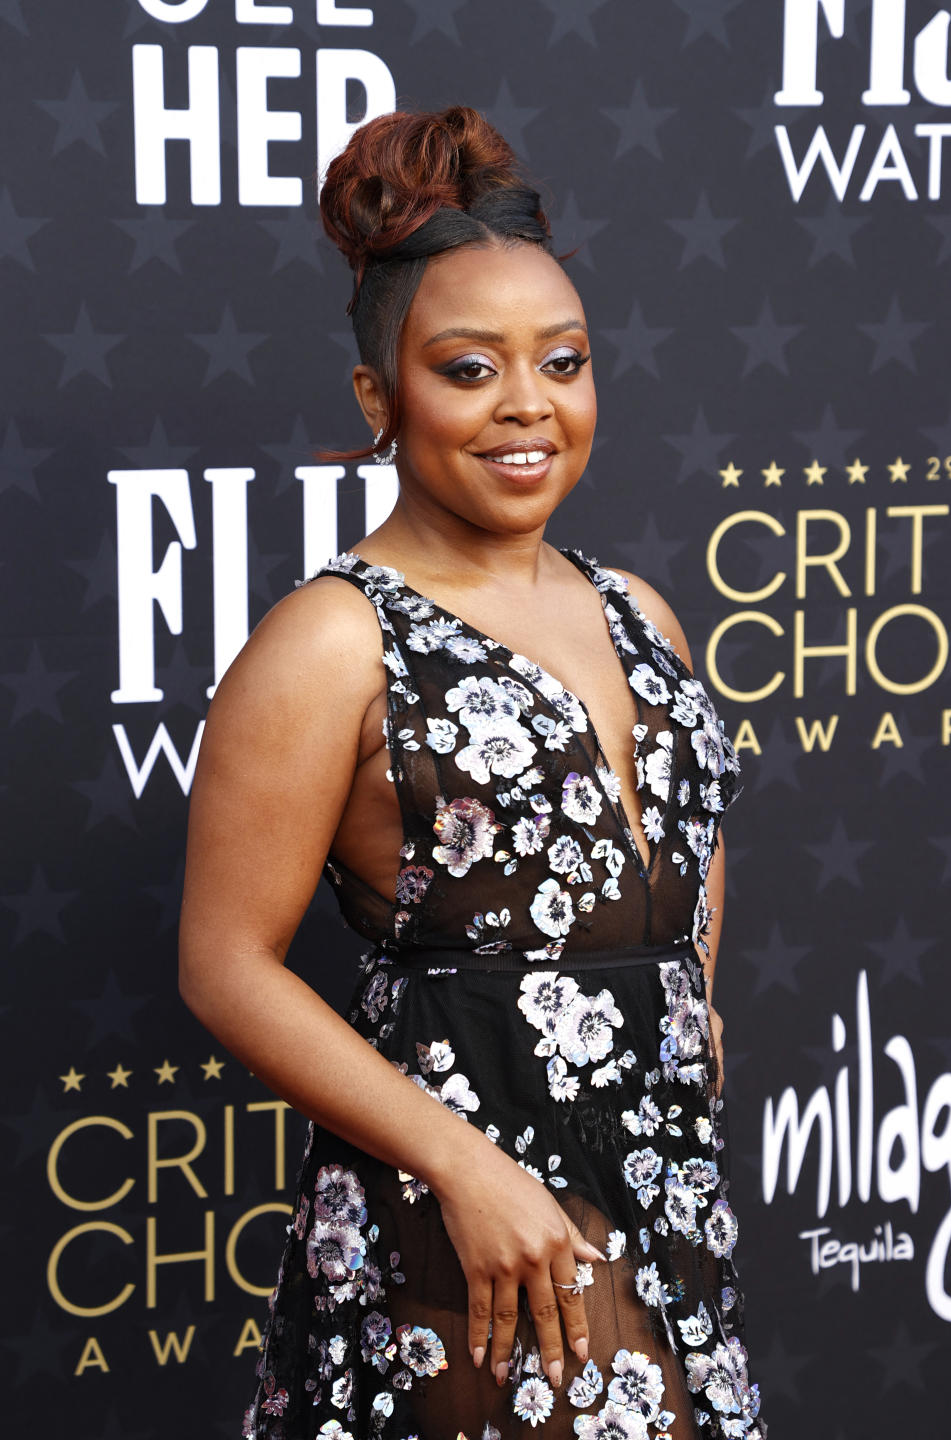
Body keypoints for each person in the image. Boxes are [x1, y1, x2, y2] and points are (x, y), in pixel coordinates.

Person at [179, 106, 766, 1440]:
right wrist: (463, 1166)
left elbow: (682, 837)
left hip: (664, 1194)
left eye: (562, 362)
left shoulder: (641, 613)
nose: (527, 406)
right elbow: (224, 963)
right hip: (458, 1230)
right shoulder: (332, 641)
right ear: (379, 399)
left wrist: (692, 1003)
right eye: (467, 369)